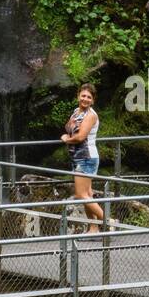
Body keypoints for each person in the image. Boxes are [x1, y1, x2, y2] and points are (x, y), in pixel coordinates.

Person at [61, 83, 104, 232]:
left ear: (93, 100)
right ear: (78, 96)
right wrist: (67, 133)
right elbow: (70, 128)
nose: (85, 99)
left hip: (87, 158)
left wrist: (67, 139)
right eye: (83, 95)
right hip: (77, 158)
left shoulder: (91, 115)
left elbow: (80, 137)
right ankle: (93, 228)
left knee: (80, 195)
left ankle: (107, 220)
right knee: (88, 194)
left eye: (89, 97)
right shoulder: (76, 112)